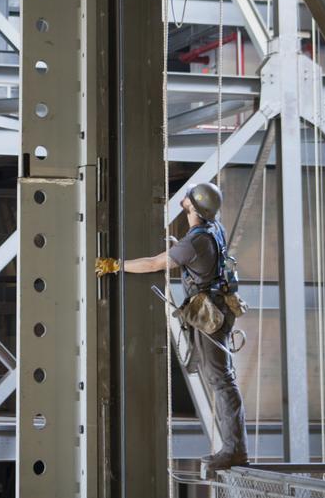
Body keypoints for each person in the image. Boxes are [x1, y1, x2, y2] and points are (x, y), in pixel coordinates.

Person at [96, 181, 248, 472]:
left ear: (194, 206)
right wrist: (179, 248)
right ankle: (233, 448)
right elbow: (201, 258)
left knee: (221, 381)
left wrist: (116, 265)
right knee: (222, 379)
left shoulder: (194, 243)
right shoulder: (214, 229)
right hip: (219, 309)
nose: (185, 199)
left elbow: (154, 264)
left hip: (209, 318)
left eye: (189, 198)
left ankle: (235, 450)